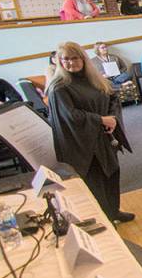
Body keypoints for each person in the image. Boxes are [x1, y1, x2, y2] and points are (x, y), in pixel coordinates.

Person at [46, 41, 133, 222]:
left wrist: (112, 118)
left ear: (83, 58)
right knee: (96, 182)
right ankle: (104, 219)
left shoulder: (94, 79)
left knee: (111, 174)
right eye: (66, 59)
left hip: (104, 137)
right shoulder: (59, 87)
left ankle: (113, 211)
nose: (71, 62)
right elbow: (70, 116)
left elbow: (112, 97)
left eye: (75, 58)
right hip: (82, 143)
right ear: (60, 62)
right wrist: (100, 120)